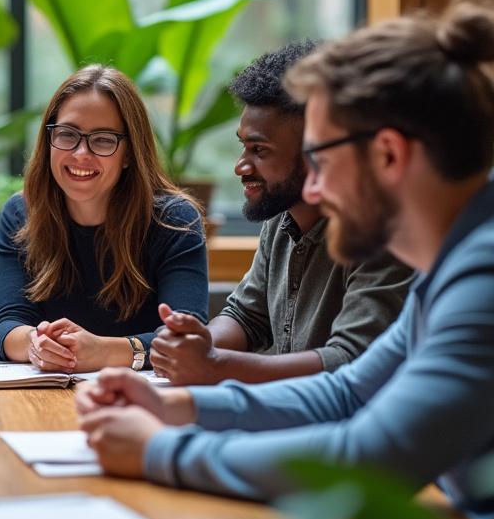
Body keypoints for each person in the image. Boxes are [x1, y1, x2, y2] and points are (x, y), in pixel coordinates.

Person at [77, 0, 494, 519]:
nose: (312, 189)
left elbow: (372, 457)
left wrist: (161, 451)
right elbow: (348, 392)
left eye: (324, 159)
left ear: (388, 155)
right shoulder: (466, 256)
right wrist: (178, 408)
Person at [150, 41, 413, 385]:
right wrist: (194, 345)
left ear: (318, 148)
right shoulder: (281, 217)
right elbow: (246, 316)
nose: (241, 166)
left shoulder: (381, 233)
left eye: (259, 150)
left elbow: (353, 361)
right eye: (243, 146)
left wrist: (214, 364)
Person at [0, 65, 208, 373]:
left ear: (130, 153)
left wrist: (105, 351)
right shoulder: (22, 214)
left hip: (144, 403)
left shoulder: (176, 220)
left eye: (103, 140)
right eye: (67, 135)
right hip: (47, 397)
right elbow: (7, 324)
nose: (81, 153)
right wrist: (37, 344)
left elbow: (186, 338)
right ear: (48, 140)